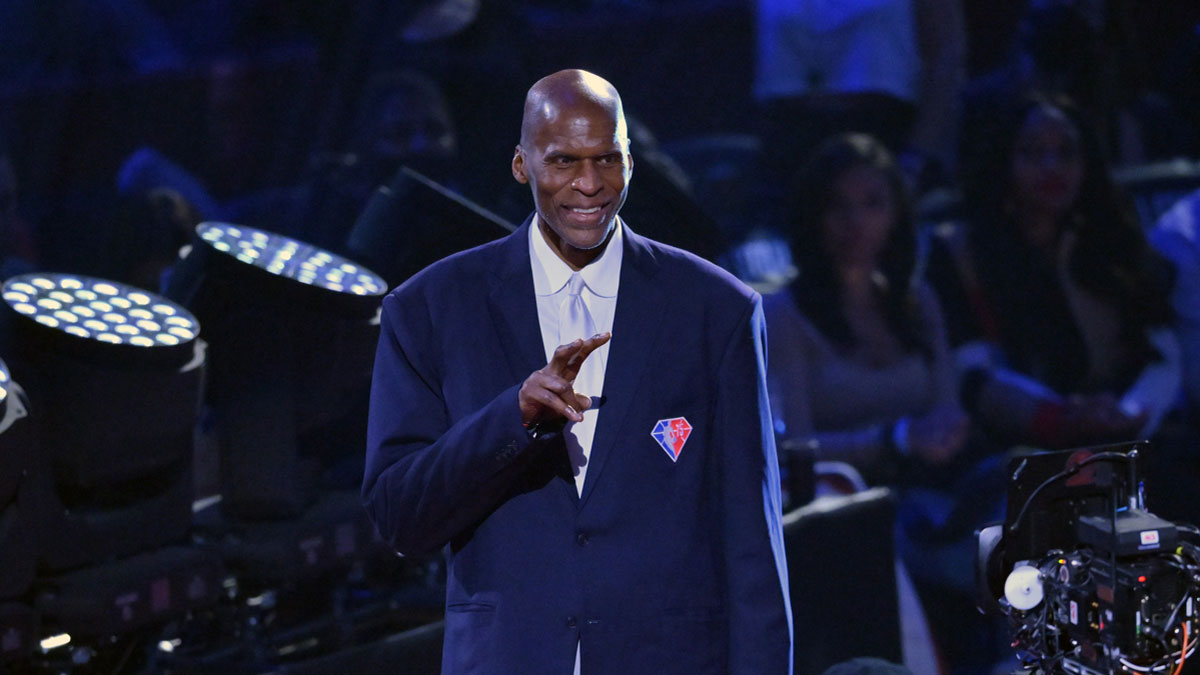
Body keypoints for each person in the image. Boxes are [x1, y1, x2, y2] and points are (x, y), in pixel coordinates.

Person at [362, 69, 792, 674]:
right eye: (563, 161)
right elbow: (399, 516)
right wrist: (511, 419)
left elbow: (753, 544)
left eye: (607, 160)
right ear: (521, 164)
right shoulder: (430, 307)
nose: (589, 185)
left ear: (631, 162)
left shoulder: (715, 310)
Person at [928, 93, 1178, 451]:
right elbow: (973, 375)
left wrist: (1129, 414)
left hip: (1134, 434)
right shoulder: (961, 251)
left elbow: (1162, 352)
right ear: (1004, 159)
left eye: (1067, 152)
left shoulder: (1113, 238)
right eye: (1032, 152)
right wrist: (1063, 419)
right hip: (1023, 444)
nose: (1052, 166)